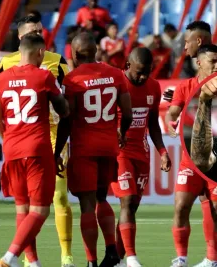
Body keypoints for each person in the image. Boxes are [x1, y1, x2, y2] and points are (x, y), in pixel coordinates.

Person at [0, 14, 75, 267]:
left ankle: (52, 258)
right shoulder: (40, 74)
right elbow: (65, 110)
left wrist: (8, 139)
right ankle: (12, 257)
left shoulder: (3, 78)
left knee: (30, 206)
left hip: (13, 146)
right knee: (39, 209)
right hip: (38, 145)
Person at [54, 32, 133, 267]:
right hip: (108, 146)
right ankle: (111, 250)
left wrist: (57, 151)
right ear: (96, 51)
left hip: (84, 149)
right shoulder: (116, 74)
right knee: (102, 197)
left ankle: (91, 261)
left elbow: (67, 120)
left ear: (75, 54)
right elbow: (127, 113)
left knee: (87, 205)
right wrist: (122, 132)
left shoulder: (73, 80)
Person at [166, 45, 217, 267]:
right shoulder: (185, 87)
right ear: (199, 63)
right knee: (180, 206)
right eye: (213, 61)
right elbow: (173, 111)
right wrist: (171, 120)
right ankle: (181, 258)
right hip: (192, 158)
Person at [112, 47, 171, 267]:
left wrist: (163, 151)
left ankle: (115, 259)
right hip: (120, 152)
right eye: (139, 72)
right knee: (126, 201)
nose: (143, 76)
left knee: (132, 207)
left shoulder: (153, 86)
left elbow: (153, 122)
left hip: (142, 152)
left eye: (147, 72)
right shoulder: (116, 84)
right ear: (127, 66)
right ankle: (132, 259)